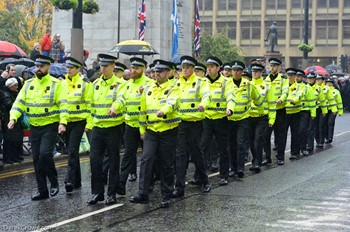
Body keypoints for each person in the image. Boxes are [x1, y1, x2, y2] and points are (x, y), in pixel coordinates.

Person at [8, 55, 68, 200]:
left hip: (50, 126)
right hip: (35, 126)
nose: (38, 69)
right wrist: (13, 118)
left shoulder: (56, 84)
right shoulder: (28, 84)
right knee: (36, 159)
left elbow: (63, 105)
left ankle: (54, 182)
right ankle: (42, 190)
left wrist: (62, 122)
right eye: (37, 66)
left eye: (41, 66)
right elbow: (19, 103)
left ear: (48, 67)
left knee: (45, 155)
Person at [130, 60, 180, 208]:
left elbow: (172, 103)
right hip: (151, 131)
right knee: (146, 160)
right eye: (155, 72)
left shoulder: (174, 87)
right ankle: (142, 194)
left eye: (161, 71)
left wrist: (163, 111)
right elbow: (142, 111)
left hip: (168, 130)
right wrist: (142, 130)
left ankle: (166, 195)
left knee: (166, 163)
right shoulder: (147, 88)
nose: (157, 74)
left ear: (168, 73)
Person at [87, 54, 126, 205]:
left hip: (113, 127)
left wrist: (115, 107)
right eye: (101, 66)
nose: (102, 68)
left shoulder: (120, 84)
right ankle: (97, 192)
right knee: (94, 160)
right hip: (97, 128)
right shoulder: (95, 84)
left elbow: (122, 99)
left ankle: (111, 193)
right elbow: (90, 106)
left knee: (113, 162)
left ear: (113, 66)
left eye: (106, 66)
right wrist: (90, 124)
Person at [172, 56, 212, 198]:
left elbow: (207, 96)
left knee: (196, 154)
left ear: (193, 69)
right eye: (183, 67)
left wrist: (204, 104)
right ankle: (180, 187)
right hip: (182, 123)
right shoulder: (177, 83)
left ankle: (205, 180)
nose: (185, 70)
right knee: (181, 155)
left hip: (196, 123)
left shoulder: (201, 82)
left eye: (188, 67)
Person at [119, 57, 151, 193]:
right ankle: (121, 184)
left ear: (143, 69)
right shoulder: (127, 84)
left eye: (137, 68)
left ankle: (147, 184)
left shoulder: (149, 83)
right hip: (130, 125)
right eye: (132, 68)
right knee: (128, 154)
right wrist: (116, 107)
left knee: (147, 157)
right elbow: (121, 99)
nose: (133, 71)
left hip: (145, 126)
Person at [62, 57, 93, 194]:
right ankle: (77, 181)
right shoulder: (62, 83)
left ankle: (69, 179)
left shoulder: (85, 84)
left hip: (79, 121)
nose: (68, 70)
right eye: (67, 67)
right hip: (66, 121)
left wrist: (89, 123)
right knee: (71, 150)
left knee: (73, 150)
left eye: (71, 68)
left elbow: (90, 104)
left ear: (78, 69)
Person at [201, 56, 233, 185]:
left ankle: (224, 175)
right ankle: (200, 176)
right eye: (208, 66)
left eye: (212, 66)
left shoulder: (226, 82)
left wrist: (230, 109)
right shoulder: (203, 81)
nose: (209, 69)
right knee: (203, 147)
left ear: (218, 68)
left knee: (223, 148)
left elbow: (231, 96)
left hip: (221, 119)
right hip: (207, 118)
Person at [228, 61, 263, 177]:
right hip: (230, 119)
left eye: (238, 70)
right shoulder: (226, 84)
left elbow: (257, 99)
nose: (235, 72)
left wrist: (261, 111)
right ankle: (233, 167)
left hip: (244, 118)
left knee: (241, 143)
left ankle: (240, 168)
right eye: (234, 70)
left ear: (242, 72)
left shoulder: (249, 85)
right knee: (232, 144)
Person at [263, 58, 289, 165]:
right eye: (271, 66)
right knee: (265, 135)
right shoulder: (265, 80)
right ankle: (267, 157)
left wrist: (281, 99)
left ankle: (280, 157)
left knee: (280, 136)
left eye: (274, 66)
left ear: (279, 67)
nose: (272, 68)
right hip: (268, 111)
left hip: (279, 111)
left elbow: (285, 92)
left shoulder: (283, 79)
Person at [0, 78, 24, 164]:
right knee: (9, 140)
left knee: (16, 139)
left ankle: (15, 156)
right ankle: (8, 158)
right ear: (10, 86)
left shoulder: (14, 93)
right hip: (8, 120)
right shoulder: (5, 94)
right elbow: (10, 105)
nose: (17, 86)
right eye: (15, 85)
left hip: (15, 119)